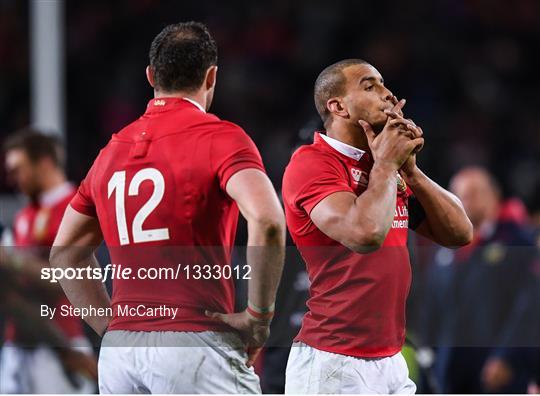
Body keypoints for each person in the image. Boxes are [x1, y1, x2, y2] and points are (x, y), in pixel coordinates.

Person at [50, 21, 286, 394]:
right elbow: (268, 219)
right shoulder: (220, 138)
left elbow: (64, 253)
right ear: (211, 77)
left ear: (150, 76)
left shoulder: (111, 151)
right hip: (193, 342)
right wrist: (259, 317)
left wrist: (111, 327)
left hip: (120, 356)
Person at [282, 58, 473, 394]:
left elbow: (460, 233)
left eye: (384, 85)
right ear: (338, 106)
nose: (387, 94)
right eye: (370, 86)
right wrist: (387, 165)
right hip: (333, 361)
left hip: (390, 358)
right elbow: (365, 234)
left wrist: (411, 171)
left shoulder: (384, 167)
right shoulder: (311, 163)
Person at [421, 167, 539, 393]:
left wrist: (509, 356)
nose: (465, 200)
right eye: (458, 194)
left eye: (473, 193)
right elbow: (432, 308)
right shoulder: (444, 248)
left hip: (498, 368)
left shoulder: (519, 241)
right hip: (451, 367)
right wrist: (428, 359)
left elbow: (529, 306)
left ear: (494, 196)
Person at [0, 130, 97, 393]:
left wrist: (13, 263)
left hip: (62, 345)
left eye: (18, 169)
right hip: (18, 346)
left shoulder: (77, 210)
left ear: (43, 163)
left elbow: (71, 281)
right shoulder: (22, 217)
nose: (12, 178)